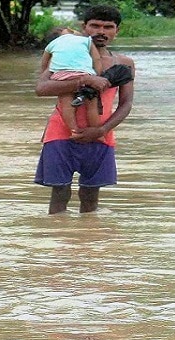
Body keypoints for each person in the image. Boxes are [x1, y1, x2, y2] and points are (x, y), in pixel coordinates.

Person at [34, 5, 135, 214]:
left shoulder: (124, 64)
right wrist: (86, 80)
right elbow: (41, 88)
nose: (101, 32)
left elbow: (125, 104)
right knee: (59, 193)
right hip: (61, 132)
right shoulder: (64, 56)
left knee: (90, 196)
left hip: (99, 133)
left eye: (108, 27)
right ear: (84, 27)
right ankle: (58, 241)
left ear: (117, 31)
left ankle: (88, 241)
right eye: (95, 26)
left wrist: (101, 130)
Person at [40, 27, 102, 133]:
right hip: (84, 74)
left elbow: (44, 63)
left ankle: (74, 130)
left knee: (67, 106)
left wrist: (45, 74)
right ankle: (96, 132)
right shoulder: (85, 40)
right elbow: (96, 59)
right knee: (92, 106)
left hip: (61, 77)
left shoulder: (52, 44)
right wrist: (97, 75)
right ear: (70, 31)